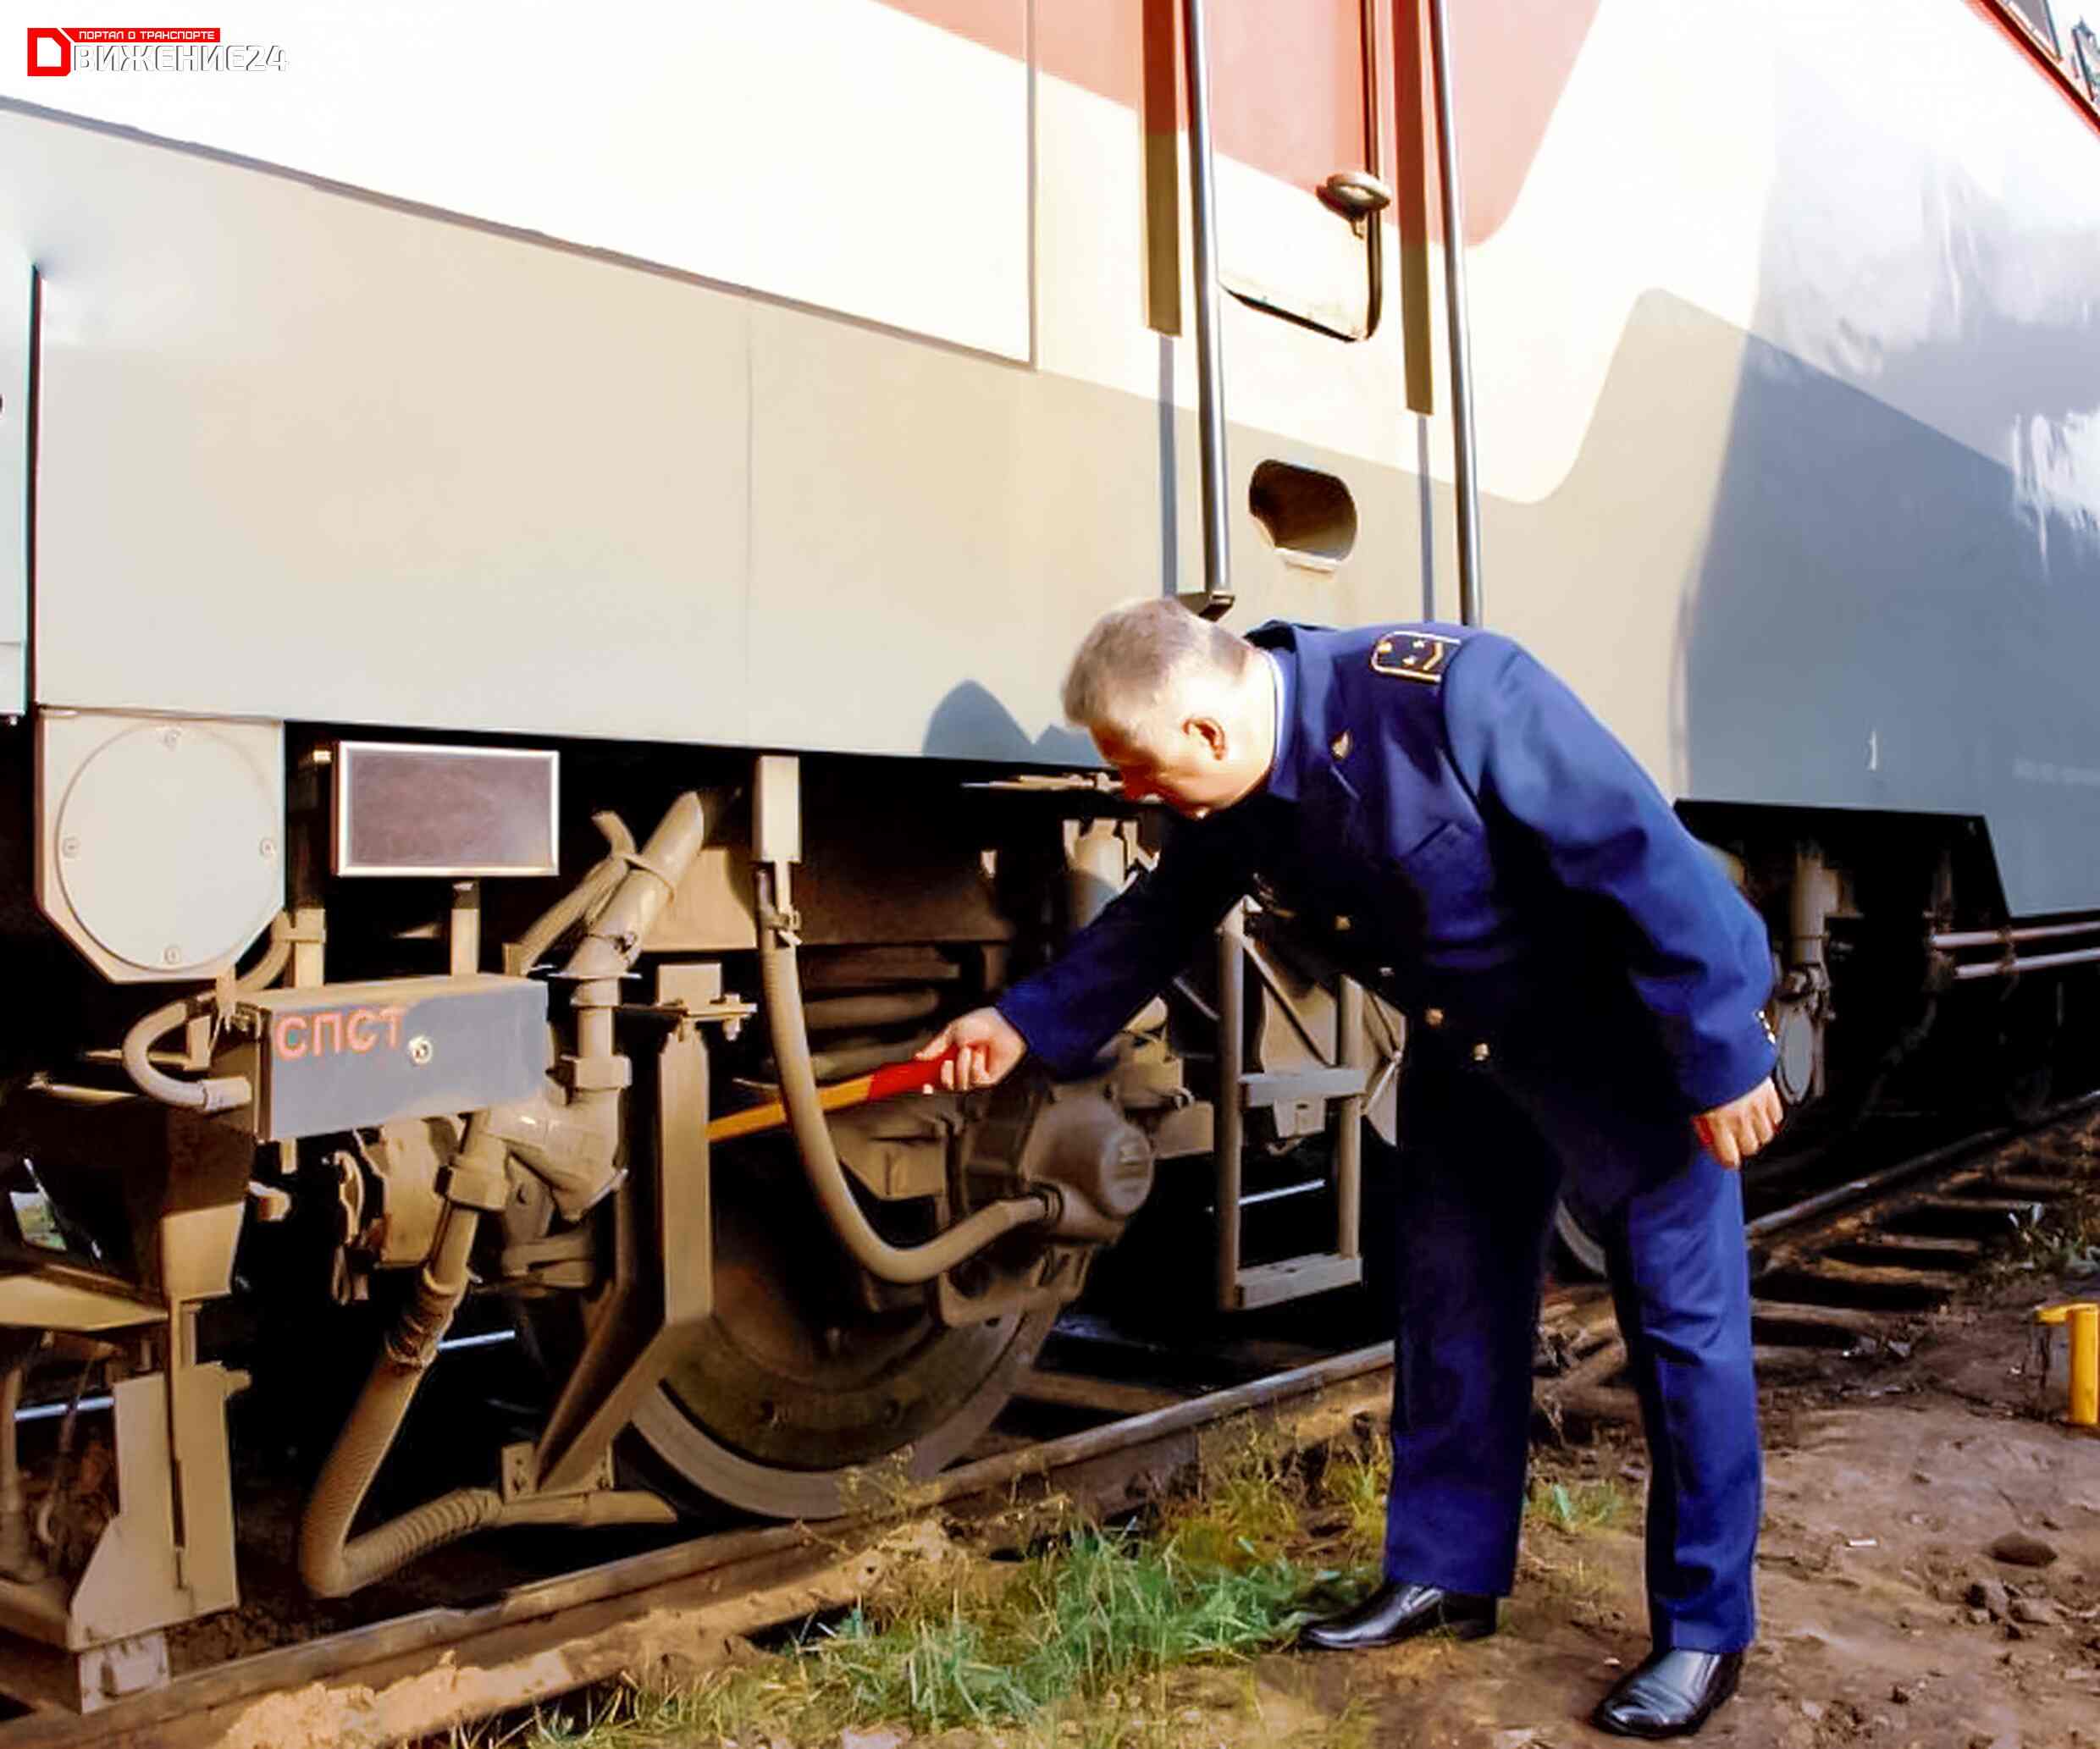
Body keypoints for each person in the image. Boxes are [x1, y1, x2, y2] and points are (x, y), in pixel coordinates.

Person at [917, 600, 1782, 1740]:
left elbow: (1644, 858)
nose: (1137, 795)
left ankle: (1704, 1632)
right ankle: (1446, 1570)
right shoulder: (1239, 780)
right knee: (1451, 1302)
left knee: (1683, 1332)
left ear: (1209, 732)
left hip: (1623, 1042)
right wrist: (1019, 1022)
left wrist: (1722, 1051)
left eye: (1140, 768)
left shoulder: (1454, 696)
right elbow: (1162, 913)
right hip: (1469, 1046)